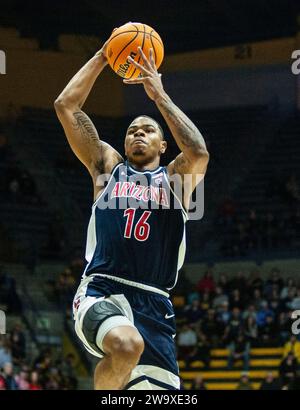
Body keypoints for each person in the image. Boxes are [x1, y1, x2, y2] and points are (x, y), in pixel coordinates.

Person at [54, 28, 209, 391]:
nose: (138, 133)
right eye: (132, 130)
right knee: (127, 345)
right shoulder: (107, 169)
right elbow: (66, 106)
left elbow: (199, 152)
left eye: (148, 130)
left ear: (163, 143)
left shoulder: (175, 180)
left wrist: (159, 96)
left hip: (155, 305)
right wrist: (104, 55)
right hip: (102, 289)